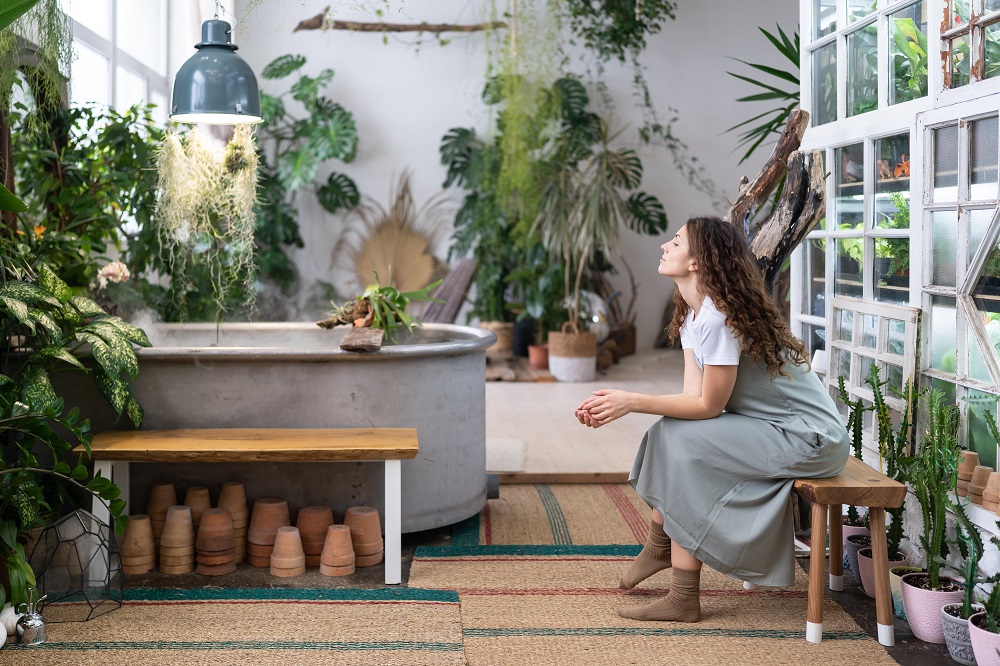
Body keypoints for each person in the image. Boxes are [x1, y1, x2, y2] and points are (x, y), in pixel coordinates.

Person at [575, 216, 849, 623]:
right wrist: (627, 403)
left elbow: (709, 407)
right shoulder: (692, 314)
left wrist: (630, 400)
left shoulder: (721, 317)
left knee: (686, 445)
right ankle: (660, 548)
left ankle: (682, 593)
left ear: (698, 261)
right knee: (670, 433)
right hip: (773, 429)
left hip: (809, 437)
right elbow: (692, 398)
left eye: (676, 242)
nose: (665, 246)